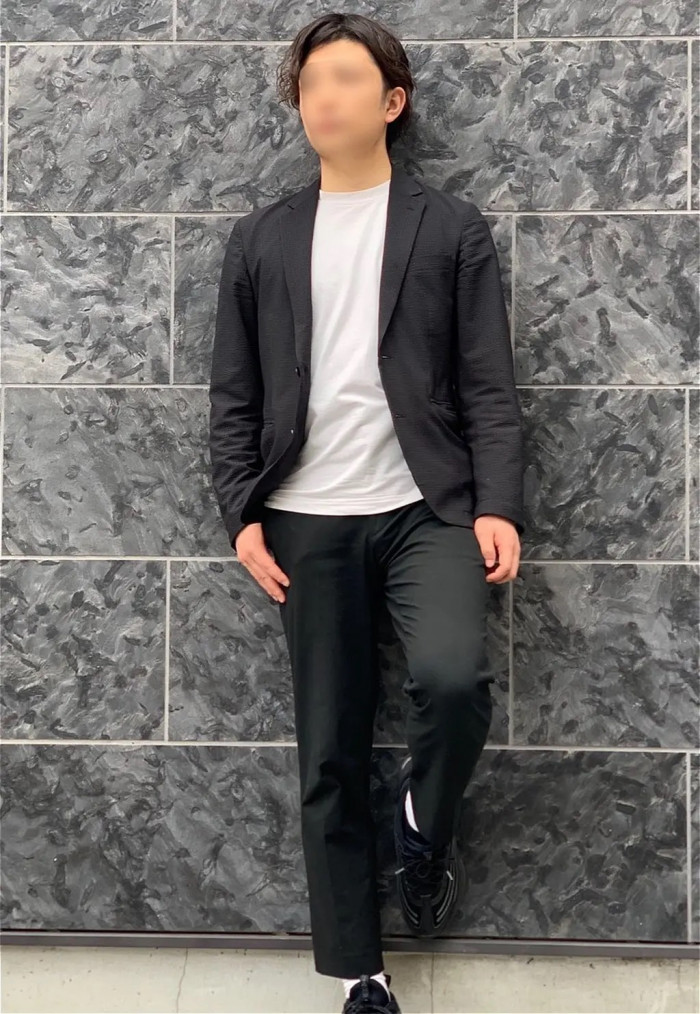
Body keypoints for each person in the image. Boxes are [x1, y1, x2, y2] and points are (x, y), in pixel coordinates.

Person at [209, 12, 525, 1014]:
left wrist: (498, 503)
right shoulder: (261, 237)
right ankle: (360, 972)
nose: (324, 97)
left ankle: (422, 827)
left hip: (427, 508)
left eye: (345, 79)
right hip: (304, 519)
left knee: (453, 679)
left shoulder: (450, 228)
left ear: (392, 101)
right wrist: (240, 514)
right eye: (310, 83)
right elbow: (233, 397)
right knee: (329, 748)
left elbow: (488, 383)